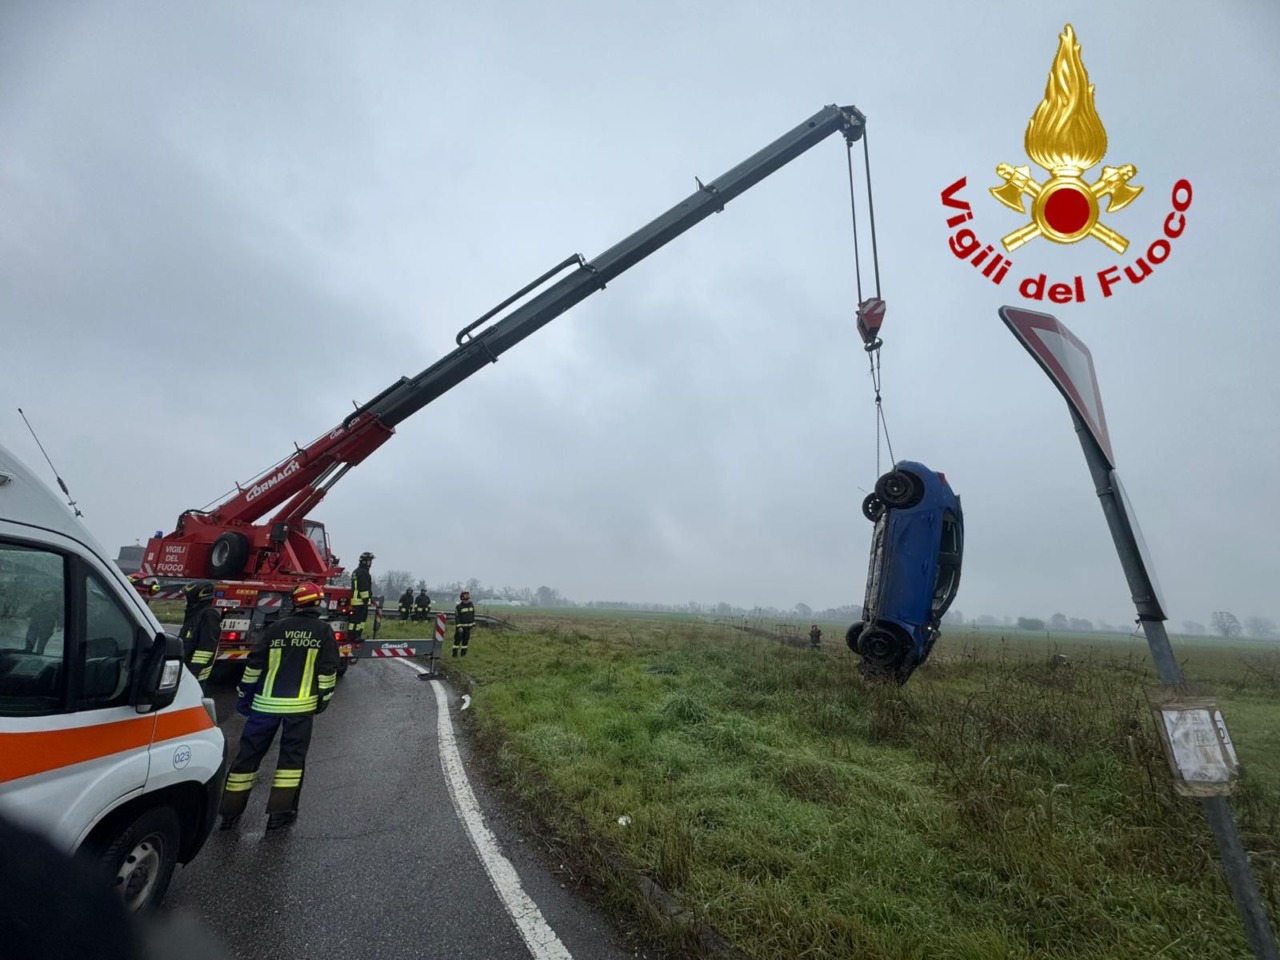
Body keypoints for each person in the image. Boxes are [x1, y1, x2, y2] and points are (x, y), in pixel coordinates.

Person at [219, 581, 338, 831]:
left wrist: (244, 694)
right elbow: (328, 671)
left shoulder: (276, 628)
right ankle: (280, 814)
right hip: (300, 708)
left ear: (295, 602)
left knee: (247, 757)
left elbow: (254, 664)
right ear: (318, 603)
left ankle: (230, 812)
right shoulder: (323, 631)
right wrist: (323, 700)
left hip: (264, 706)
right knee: (291, 762)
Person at [180, 581, 222, 684]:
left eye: (188, 596)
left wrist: (192, 672)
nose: (185, 599)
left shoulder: (209, 616)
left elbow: (206, 648)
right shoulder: (195, 614)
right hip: (186, 669)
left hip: (195, 675)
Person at [349, 551, 374, 644]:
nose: (370, 563)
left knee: (354, 622)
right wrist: (367, 600)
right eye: (369, 561)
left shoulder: (356, 571)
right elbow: (364, 588)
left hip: (356, 601)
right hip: (360, 602)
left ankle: (353, 636)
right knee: (359, 621)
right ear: (364, 561)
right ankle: (356, 636)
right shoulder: (363, 573)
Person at [453, 590, 475, 657]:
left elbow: (473, 615)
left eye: (468, 595)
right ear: (462, 597)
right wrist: (459, 627)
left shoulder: (471, 605)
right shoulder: (459, 607)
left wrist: (473, 625)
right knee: (457, 641)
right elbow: (457, 617)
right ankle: (454, 654)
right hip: (461, 628)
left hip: (468, 628)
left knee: (465, 642)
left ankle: (463, 654)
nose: (467, 596)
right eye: (465, 595)